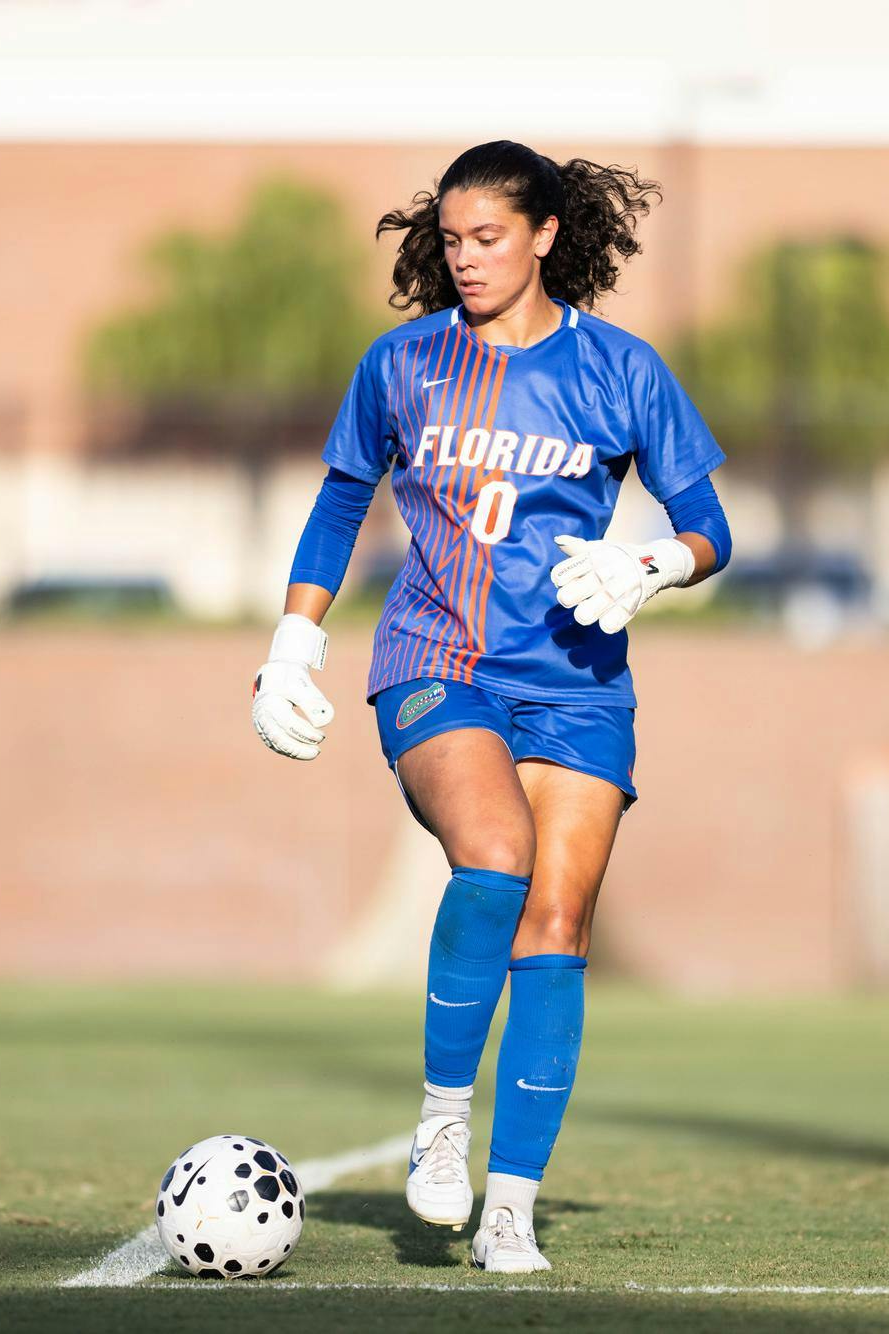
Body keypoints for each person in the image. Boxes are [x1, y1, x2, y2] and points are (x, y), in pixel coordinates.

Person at [250, 140, 732, 1273]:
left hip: (576, 680)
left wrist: (653, 566)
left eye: (489, 238)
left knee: (556, 925)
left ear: (546, 235)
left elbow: (710, 519)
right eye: (452, 239)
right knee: (495, 852)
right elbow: (337, 502)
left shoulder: (621, 369)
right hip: (436, 654)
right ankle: (439, 1117)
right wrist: (289, 645)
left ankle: (508, 1203)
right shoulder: (403, 364)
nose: (464, 260)